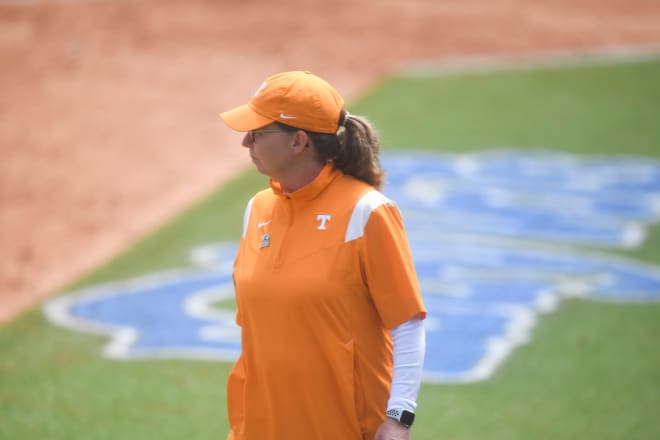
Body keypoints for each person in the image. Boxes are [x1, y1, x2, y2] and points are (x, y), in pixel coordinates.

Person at [219, 70, 426, 440]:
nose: (246, 142)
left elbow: (407, 321)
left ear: (299, 141)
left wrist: (399, 417)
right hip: (262, 427)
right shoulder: (258, 209)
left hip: (343, 426)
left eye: (259, 133)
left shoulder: (367, 212)